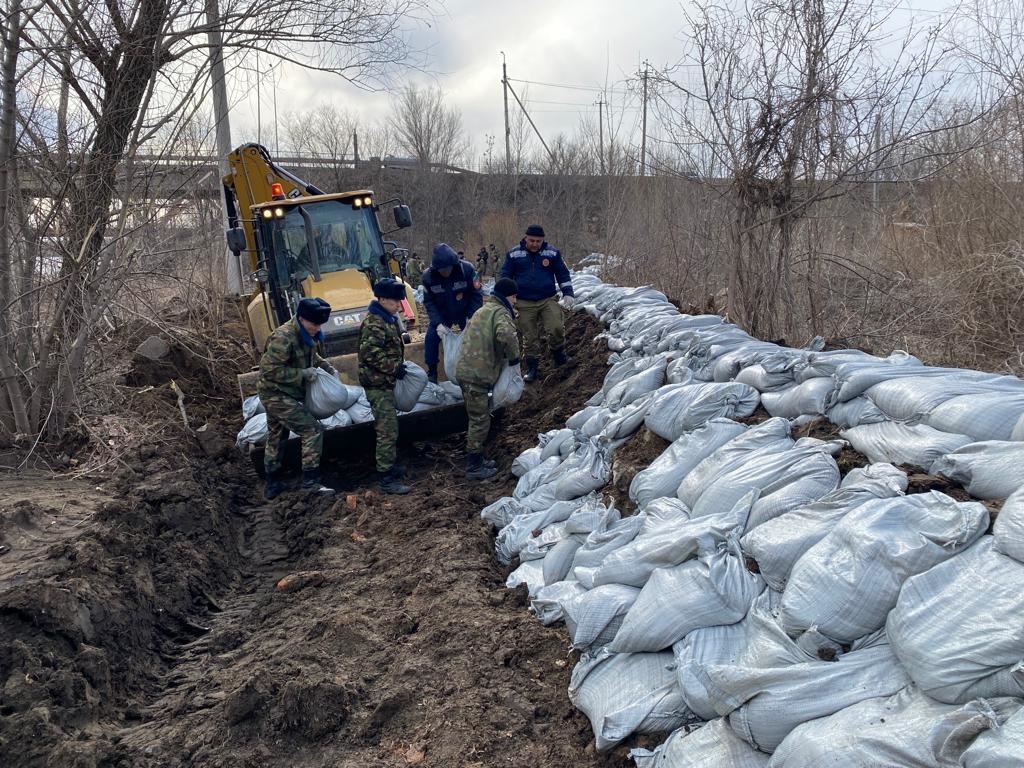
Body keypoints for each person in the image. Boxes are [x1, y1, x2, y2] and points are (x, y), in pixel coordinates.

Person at [258, 297, 337, 499]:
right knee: (312, 430)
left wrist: (325, 367)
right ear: (301, 319)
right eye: (313, 324)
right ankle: (311, 482)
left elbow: (311, 355)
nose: (316, 328)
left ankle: (272, 482)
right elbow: (269, 371)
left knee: (277, 436)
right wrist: (301, 374)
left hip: (287, 392)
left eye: (320, 324)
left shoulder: (307, 333)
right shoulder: (283, 338)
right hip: (275, 393)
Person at [456, 278, 521, 480]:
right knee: (480, 420)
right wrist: (514, 359)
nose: (516, 301)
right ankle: (474, 466)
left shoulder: (483, 310)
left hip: (467, 371)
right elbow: (507, 336)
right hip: (477, 374)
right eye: (514, 297)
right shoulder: (500, 313)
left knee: (478, 416)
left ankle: (479, 457)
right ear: (508, 296)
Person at [500, 224, 574, 383]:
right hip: (524, 301)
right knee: (529, 336)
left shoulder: (552, 253)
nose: (534, 244)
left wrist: (568, 293)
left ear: (543, 240)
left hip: (547, 298)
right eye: (531, 240)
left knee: (556, 327)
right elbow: (505, 276)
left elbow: (562, 274)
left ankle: (559, 355)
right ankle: (532, 368)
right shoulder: (514, 254)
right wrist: (504, 296)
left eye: (538, 241)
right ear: (525, 238)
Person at [358, 279, 412, 495]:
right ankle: (386, 478)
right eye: (395, 301)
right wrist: (393, 368)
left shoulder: (386, 318)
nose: (399, 305)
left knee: (390, 427)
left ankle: (389, 467)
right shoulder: (375, 323)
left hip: (384, 380)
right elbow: (369, 353)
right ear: (382, 300)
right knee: (387, 430)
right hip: (377, 383)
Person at [420, 243, 483, 383]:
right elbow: (429, 302)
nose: (445, 272)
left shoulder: (468, 270)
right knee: (430, 338)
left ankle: (478, 368)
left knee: (477, 337)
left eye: (448, 269)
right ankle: (432, 372)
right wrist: (438, 323)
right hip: (443, 315)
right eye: (442, 270)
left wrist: (471, 317)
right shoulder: (428, 277)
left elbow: (477, 295)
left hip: (464, 312)